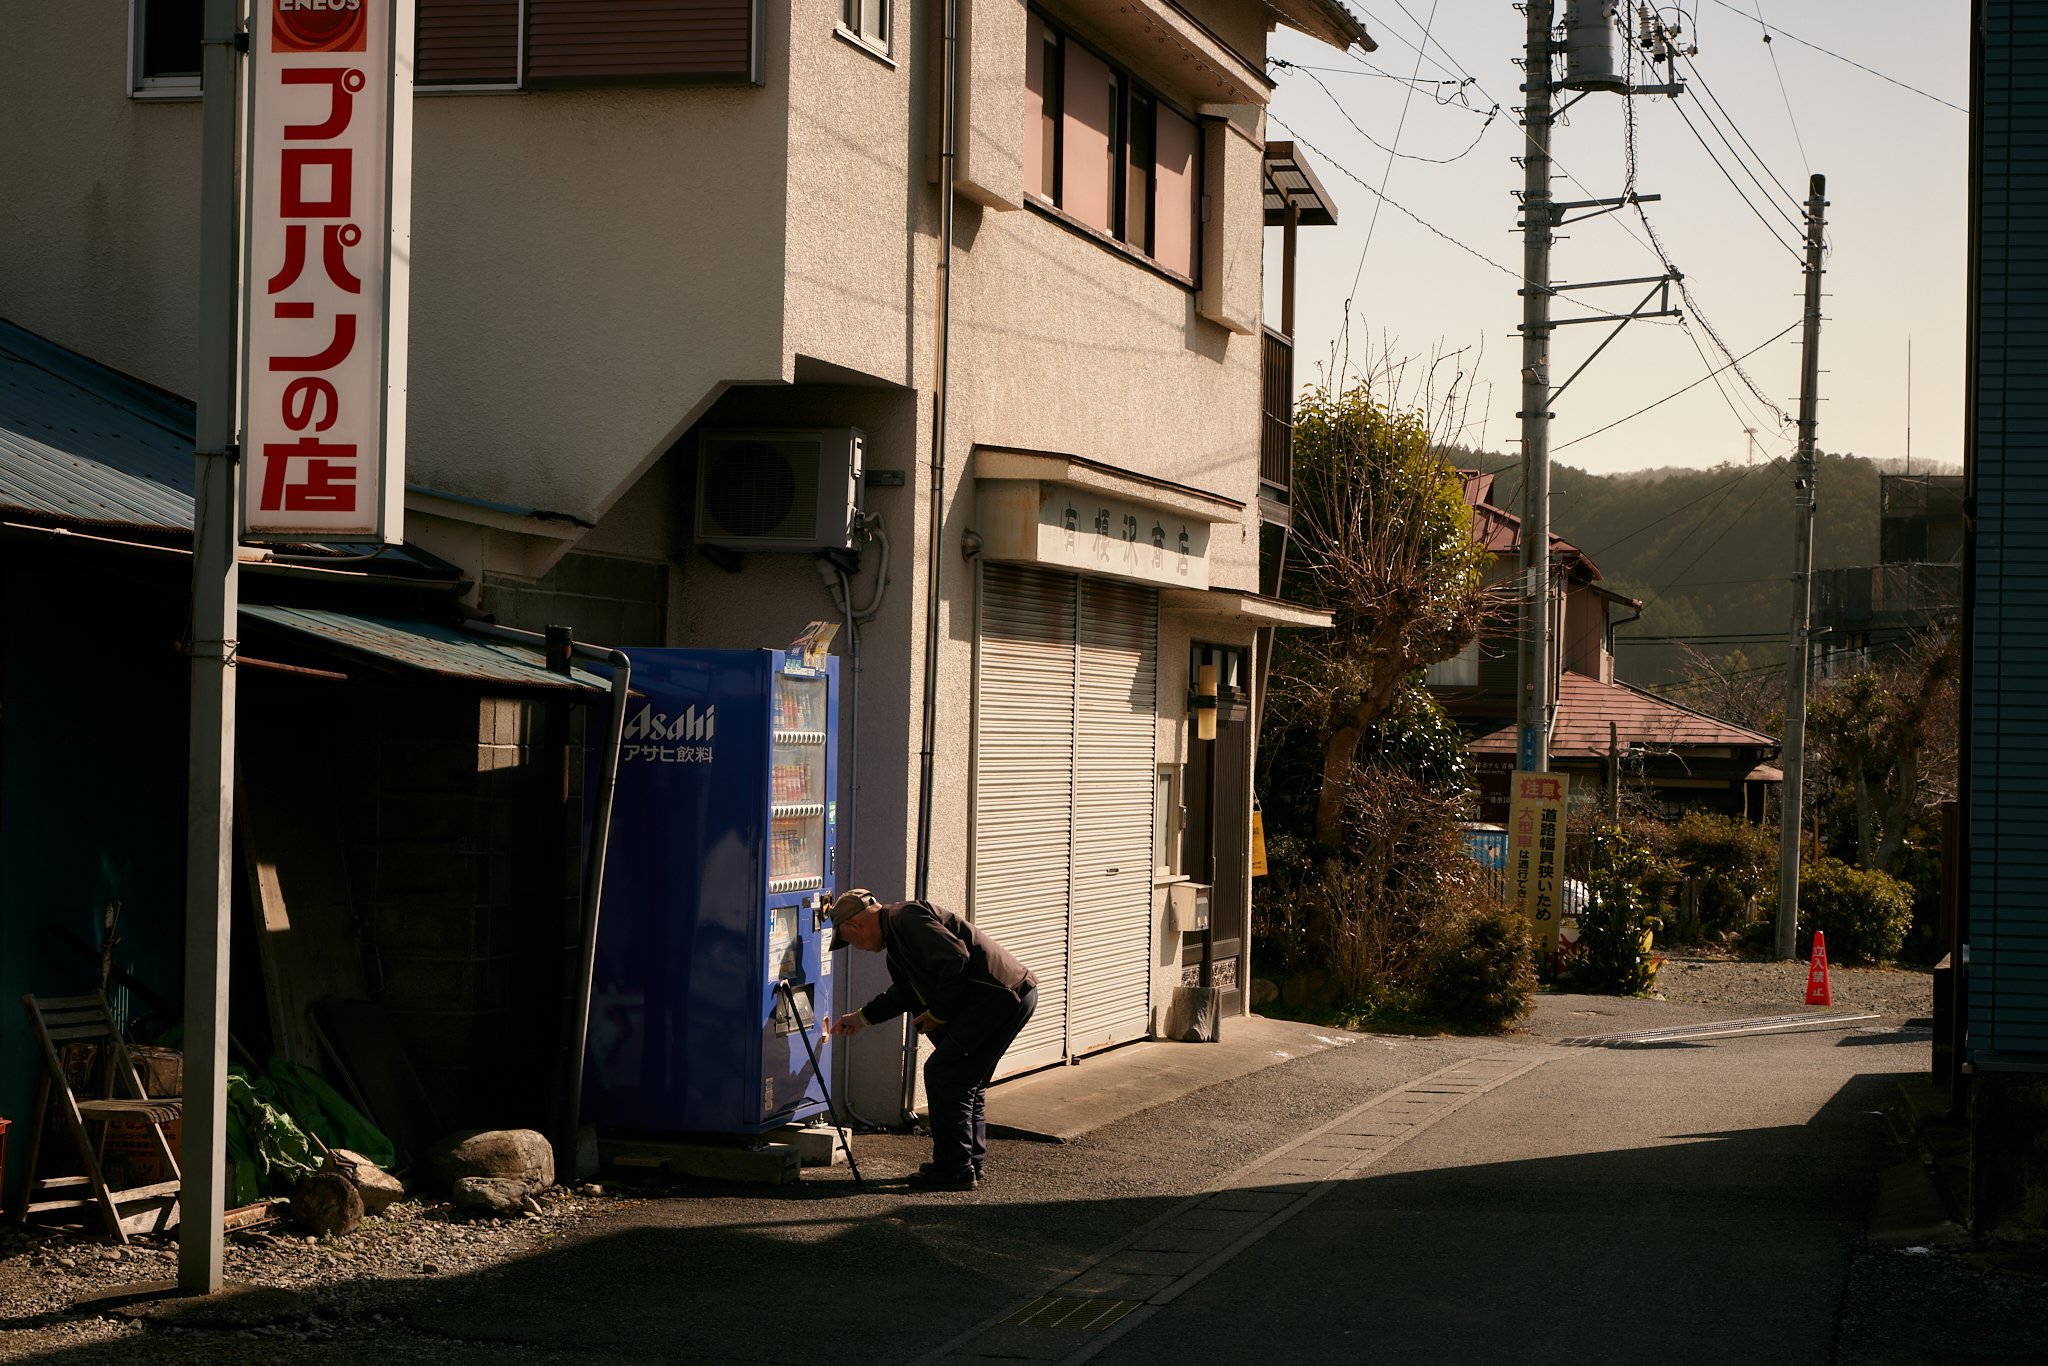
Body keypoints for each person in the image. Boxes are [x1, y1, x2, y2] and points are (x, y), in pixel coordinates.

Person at [824, 889, 1037, 1190]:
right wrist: (862, 1017)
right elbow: (906, 992)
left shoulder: (905, 918)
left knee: (944, 1073)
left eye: (848, 940)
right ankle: (968, 1162)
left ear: (855, 924)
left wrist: (938, 1013)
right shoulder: (897, 938)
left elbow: (956, 958)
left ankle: (954, 1169)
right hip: (1007, 995)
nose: (854, 947)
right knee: (964, 1079)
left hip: (1000, 996)